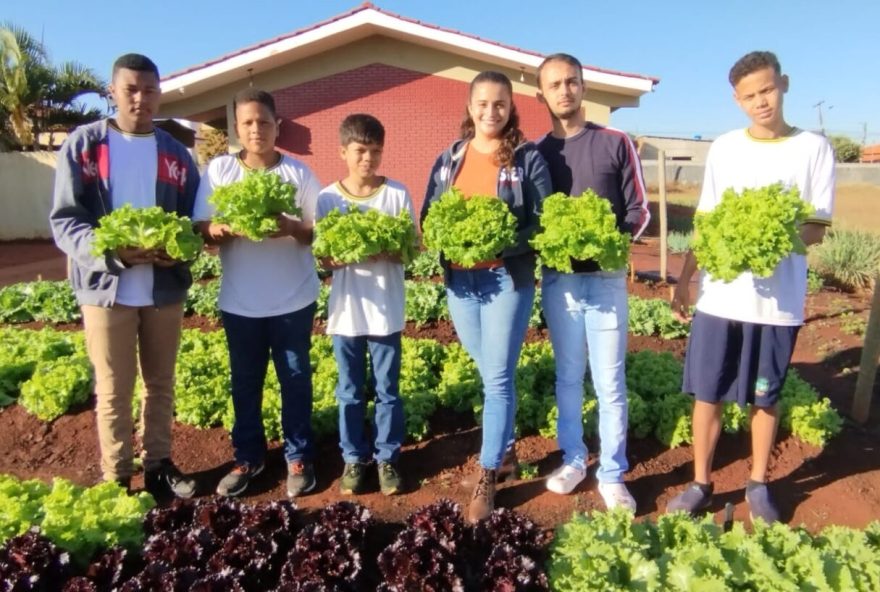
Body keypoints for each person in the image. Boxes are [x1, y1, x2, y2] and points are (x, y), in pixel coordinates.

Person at [667, 51, 834, 522]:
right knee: (707, 393)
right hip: (721, 297)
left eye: (766, 89)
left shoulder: (814, 149)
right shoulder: (724, 147)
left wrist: (765, 243)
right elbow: (707, 220)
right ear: (737, 101)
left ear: (784, 83)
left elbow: (816, 228)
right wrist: (685, 279)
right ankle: (701, 482)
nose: (760, 101)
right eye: (749, 96)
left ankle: (758, 484)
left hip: (777, 302)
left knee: (766, 396)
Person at [49, 53, 199, 498]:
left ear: (159, 94)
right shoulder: (84, 145)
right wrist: (111, 252)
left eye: (149, 90)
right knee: (113, 388)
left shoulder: (175, 154)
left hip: (162, 290)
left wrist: (177, 251)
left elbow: (191, 220)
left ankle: (158, 464)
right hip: (104, 289)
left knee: (160, 383)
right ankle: (115, 475)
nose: (141, 99)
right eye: (131, 89)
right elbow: (66, 220)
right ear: (112, 91)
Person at [421, 71, 551, 523]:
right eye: (482, 103)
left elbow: (541, 220)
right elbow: (430, 214)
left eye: (499, 104)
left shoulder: (526, 157)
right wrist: (445, 241)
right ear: (470, 105)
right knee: (489, 373)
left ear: (510, 106)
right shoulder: (450, 157)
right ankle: (507, 450)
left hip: (505, 281)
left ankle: (488, 473)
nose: (490, 111)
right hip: (461, 283)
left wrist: (503, 245)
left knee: (497, 378)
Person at [535, 53, 650, 510]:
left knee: (609, 381)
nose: (564, 90)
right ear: (542, 92)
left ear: (583, 87)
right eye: (555, 84)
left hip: (604, 281)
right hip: (560, 282)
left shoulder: (615, 142)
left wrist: (609, 243)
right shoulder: (537, 153)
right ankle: (574, 458)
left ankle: (613, 472)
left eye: (571, 82)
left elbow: (639, 209)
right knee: (567, 377)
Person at [194, 88, 322, 498]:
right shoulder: (219, 171)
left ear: (277, 126)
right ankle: (248, 456)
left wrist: (291, 228)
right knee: (245, 382)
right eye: (247, 122)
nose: (256, 129)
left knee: (296, 379)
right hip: (240, 301)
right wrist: (219, 230)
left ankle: (298, 456)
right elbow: (203, 227)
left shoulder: (299, 174)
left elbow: (316, 233)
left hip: (293, 299)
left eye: (264, 122)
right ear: (236, 127)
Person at [316, 114, 414, 496]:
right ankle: (354, 459)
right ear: (343, 152)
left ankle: (388, 458)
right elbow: (323, 258)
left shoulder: (396, 194)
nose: (367, 159)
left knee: (388, 390)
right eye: (359, 151)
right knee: (350, 391)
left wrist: (386, 249)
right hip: (346, 313)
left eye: (375, 151)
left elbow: (409, 250)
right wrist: (338, 256)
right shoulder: (328, 198)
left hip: (386, 311)